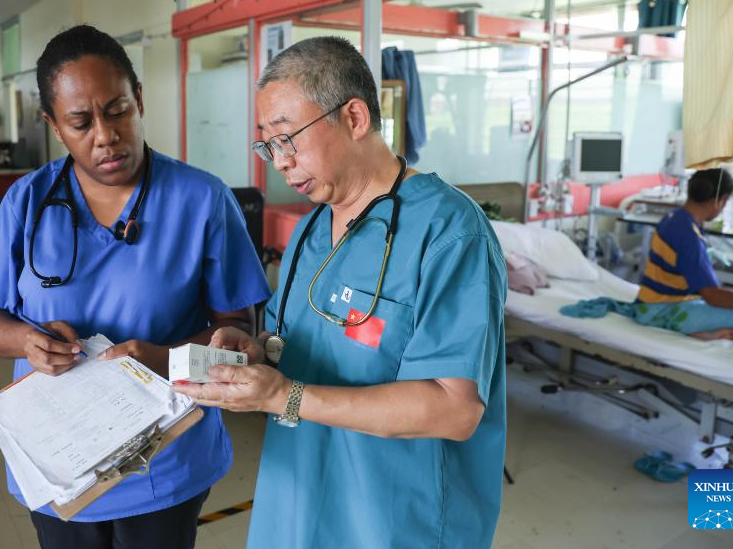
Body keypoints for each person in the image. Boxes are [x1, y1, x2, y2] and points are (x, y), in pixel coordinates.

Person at [175, 36, 507, 549]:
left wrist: (285, 397)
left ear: (353, 118)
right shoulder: (312, 232)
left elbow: (453, 408)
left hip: (394, 519)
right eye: (268, 145)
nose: (278, 163)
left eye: (288, 139)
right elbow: (301, 348)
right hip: (298, 503)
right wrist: (257, 354)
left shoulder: (449, 232)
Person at [0, 24, 270, 549]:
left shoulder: (202, 200)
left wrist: (165, 357)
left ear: (139, 100)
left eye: (118, 110)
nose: (104, 135)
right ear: (54, 126)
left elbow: (237, 328)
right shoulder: (27, 202)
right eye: (80, 122)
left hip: (165, 457)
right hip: (59, 456)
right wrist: (25, 342)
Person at [633, 168, 733, 339]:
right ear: (721, 200)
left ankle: (714, 332)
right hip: (662, 311)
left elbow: (701, 285)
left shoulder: (675, 218)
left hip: (651, 303)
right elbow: (713, 296)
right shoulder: (689, 237)